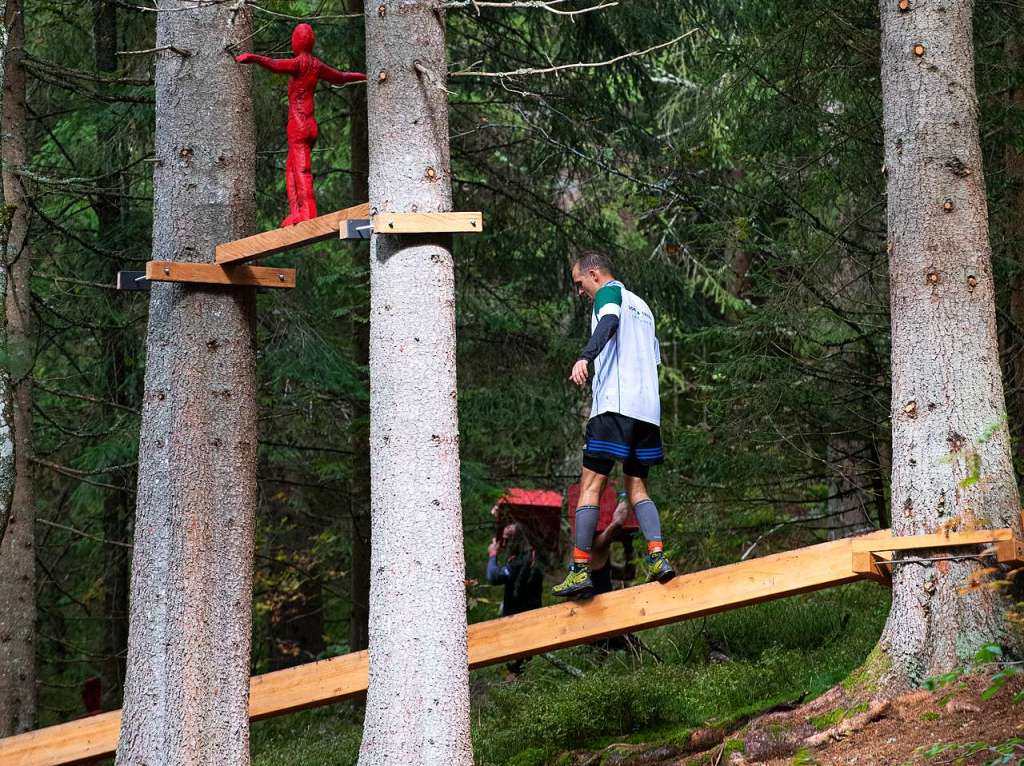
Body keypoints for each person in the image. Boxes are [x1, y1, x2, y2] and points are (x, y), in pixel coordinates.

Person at [553, 251, 674, 599]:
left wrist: (584, 356)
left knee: (590, 486)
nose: (579, 292)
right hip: (647, 412)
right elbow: (653, 359)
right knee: (637, 489)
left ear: (594, 274)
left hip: (614, 407)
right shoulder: (644, 307)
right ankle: (657, 557)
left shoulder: (610, 294)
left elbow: (608, 323)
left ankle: (579, 569)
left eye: (579, 284)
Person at [236, 24, 366, 226]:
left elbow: (274, 64)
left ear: (297, 42)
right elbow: (340, 77)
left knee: (301, 169)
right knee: (291, 169)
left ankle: (308, 213)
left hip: (299, 125)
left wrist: (253, 58)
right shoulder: (316, 65)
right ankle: (296, 212)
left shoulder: (299, 64)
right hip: (310, 124)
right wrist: (363, 76)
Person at [487, 523, 544, 617]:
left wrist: (493, 554)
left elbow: (493, 576)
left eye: (507, 539)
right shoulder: (535, 556)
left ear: (518, 540)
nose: (504, 544)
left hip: (517, 619)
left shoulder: (520, 562)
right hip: (534, 615)